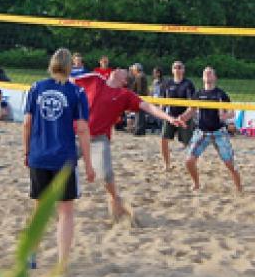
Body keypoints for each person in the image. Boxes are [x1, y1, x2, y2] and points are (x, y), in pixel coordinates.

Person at [74, 69, 184, 220]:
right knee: (59, 167)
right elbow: (68, 80)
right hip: (77, 134)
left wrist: (169, 118)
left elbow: (148, 107)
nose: (118, 69)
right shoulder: (95, 79)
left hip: (99, 139)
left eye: (123, 72)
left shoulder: (124, 95)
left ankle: (115, 199)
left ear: (124, 81)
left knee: (106, 174)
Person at [23, 48, 96, 267]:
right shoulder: (77, 92)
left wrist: (26, 152)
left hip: (39, 155)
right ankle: (62, 262)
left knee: (39, 208)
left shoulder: (36, 88)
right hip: (63, 159)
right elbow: (83, 130)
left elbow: (26, 124)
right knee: (66, 211)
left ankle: (31, 256)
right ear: (70, 67)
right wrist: (89, 164)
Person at [178, 67, 242, 192]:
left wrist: (225, 115)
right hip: (202, 132)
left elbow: (232, 112)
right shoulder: (198, 94)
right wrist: (182, 118)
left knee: (230, 164)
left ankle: (239, 188)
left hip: (219, 132)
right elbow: (191, 111)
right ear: (203, 78)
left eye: (210, 72)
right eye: (205, 73)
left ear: (215, 77)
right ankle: (196, 184)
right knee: (189, 161)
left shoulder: (221, 94)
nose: (207, 74)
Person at [159, 60, 196, 171]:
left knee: (187, 143)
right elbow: (163, 101)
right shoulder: (167, 84)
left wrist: (184, 117)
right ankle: (167, 165)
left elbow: (193, 105)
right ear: (172, 70)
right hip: (170, 116)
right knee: (163, 139)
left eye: (180, 67)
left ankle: (191, 164)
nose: (177, 69)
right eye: (175, 67)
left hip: (184, 117)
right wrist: (163, 112)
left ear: (183, 70)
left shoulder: (188, 84)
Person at [129, 63, 149, 135]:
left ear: (136, 69)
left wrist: (136, 96)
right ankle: (141, 130)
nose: (133, 71)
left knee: (139, 114)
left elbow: (139, 89)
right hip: (143, 97)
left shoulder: (139, 76)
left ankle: (138, 130)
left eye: (133, 70)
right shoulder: (142, 75)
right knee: (141, 114)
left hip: (140, 97)